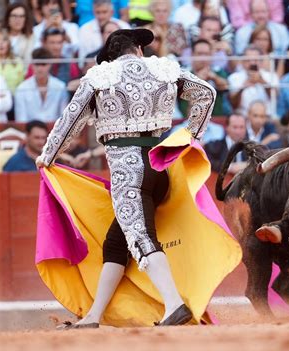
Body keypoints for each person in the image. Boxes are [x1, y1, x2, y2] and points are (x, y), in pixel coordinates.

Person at [35, 28, 217, 328]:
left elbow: (70, 122)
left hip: (127, 169)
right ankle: (94, 315)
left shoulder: (100, 77)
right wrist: (188, 138)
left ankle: (174, 305)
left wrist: (48, 157)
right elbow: (207, 94)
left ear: (110, 57)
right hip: (161, 165)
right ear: (138, 50)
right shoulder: (163, 69)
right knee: (117, 243)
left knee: (141, 236)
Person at [15, 47, 69, 122]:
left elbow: (63, 119)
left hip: (56, 131)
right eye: (37, 64)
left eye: (43, 64)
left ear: (50, 64)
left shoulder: (60, 87)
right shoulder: (22, 88)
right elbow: (21, 119)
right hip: (30, 132)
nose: (40, 68)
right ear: (32, 65)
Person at [228, 45, 279, 116]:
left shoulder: (271, 76)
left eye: (255, 60)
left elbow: (276, 96)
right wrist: (242, 88)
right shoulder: (234, 77)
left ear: (261, 61)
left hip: (267, 117)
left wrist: (262, 81)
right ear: (242, 62)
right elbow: (233, 104)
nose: (252, 63)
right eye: (248, 60)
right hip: (243, 117)